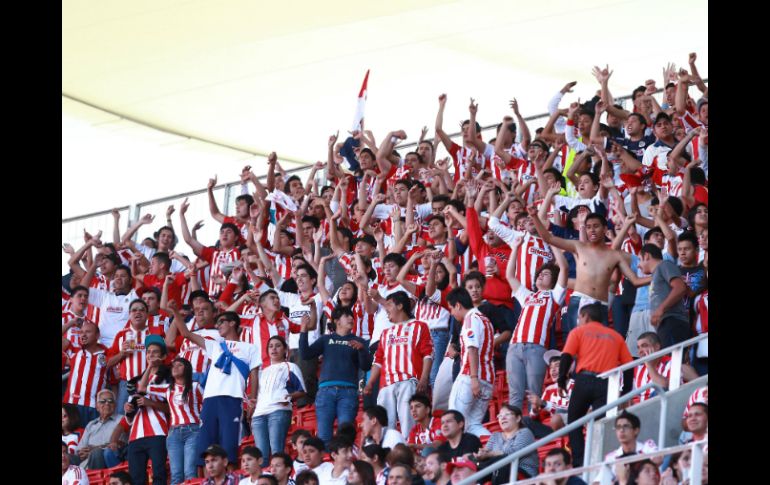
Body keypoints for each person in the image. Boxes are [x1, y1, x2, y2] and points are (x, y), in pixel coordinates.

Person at [169, 305, 260, 472]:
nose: (218, 325)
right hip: (210, 399)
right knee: (204, 446)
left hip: (232, 399)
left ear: (233, 323)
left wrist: (253, 399)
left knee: (229, 445)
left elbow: (254, 375)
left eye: (221, 322)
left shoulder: (250, 348)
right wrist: (175, 312)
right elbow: (186, 334)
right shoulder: (215, 346)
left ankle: (230, 481)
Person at [529, 208, 646, 334]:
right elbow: (548, 238)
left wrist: (659, 273)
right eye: (588, 227)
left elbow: (635, 281)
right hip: (580, 301)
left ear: (605, 229)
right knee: (579, 348)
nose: (592, 230)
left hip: (601, 305)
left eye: (596, 226)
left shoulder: (613, 255)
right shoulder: (578, 246)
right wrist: (535, 216)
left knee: (600, 347)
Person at [559, 303, 634, 468]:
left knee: (574, 422)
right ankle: (601, 462)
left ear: (585, 316)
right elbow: (629, 365)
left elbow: (566, 356)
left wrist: (560, 380)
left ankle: (580, 463)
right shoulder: (616, 336)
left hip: (584, 381)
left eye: (579, 318)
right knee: (603, 425)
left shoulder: (578, 332)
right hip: (606, 385)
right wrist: (626, 390)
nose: (578, 321)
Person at [504, 236, 568, 409]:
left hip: (536, 347)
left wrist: (553, 242)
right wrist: (515, 247)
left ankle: (535, 427)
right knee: (515, 396)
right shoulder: (528, 296)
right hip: (514, 346)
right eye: (539, 274)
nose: (540, 275)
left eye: (545, 274)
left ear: (553, 281)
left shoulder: (554, 296)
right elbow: (510, 276)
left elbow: (563, 267)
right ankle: (516, 433)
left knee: (534, 395)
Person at [364, 291, 433, 439]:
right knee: (384, 427)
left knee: (409, 422)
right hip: (386, 386)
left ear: (400, 306)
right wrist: (370, 382)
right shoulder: (385, 333)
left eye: (388, 304)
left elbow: (428, 355)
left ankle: (411, 451)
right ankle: (387, 455)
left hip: (408, 381)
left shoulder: (420, 326)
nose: (385, 309)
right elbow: (378, 361)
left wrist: (424, 378)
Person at [300, 305, 371, 445]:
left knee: (345, 436)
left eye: (352, 316)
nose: (351, 318)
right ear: (337, 321)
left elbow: (366, 366)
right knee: (324, 437)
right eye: (347, 316)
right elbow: (305, 354)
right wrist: (303, 329)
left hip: (348, 393)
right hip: (325, 392)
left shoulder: (360, 341)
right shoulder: (326, 339)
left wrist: (362, 350)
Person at [121, 335, 172, 485]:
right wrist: (128, 409)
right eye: (149, 352)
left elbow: (171, 409)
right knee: (136, 478)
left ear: (163, 356)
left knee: (159, 475)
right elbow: (130, 416)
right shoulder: (135, 380)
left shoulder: (169, 377)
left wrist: (151, 403)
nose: (151, 355)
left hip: (158, 432)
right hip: (135, 436)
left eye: (155, 352)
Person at [446, 288, 495, 437]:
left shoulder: (470, 319)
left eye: (451, 308)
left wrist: (473, 378)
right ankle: (496, 449)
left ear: (458, 305)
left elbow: (472, 348)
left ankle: (459, 458)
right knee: (473, 425)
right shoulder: (485, 319)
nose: (452, 313)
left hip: (470, 377)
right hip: (488, 379)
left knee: (454, 421)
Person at [252, 336, 306, 465]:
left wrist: (289, 397)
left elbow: (302, 390)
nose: (274, 349)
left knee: (277, 451)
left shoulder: (290, 366)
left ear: (285, 349)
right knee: (261, 457)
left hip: (278, 411)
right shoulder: (261, 372)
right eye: (270, 346)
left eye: (278, 345)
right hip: (258, 415)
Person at [63, 320, 110, 441]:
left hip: (94, 407)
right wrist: (71, 323)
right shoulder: (75, 352)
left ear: (97, 336)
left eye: (88, 332)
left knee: (88, 443)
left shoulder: (107, 356)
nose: (83, 335)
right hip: (71, 405)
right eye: (81, 332)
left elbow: (113, 383)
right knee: (69, 440)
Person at [637, 244, 691, 347]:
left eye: (639, 259)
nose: (638, 265)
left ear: (647, 256)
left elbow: (680, 288)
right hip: (666, 324)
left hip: (672, 321)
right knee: (671, 361)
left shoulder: (665, 265)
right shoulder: (657, 273)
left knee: (675, 360)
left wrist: (660, 309)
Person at [165, 357, 205, 485]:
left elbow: (206, 406)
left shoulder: (195, 386)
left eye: (179, 365)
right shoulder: (167, 390)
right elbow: (142, 388)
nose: (175, 367)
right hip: (173, 434)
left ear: (187, 369)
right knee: (176, 475)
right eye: (173, 365)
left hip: (193, 430)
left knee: (190, 473)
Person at [474, 404, 538, 482]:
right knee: (473, 462)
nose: (503, 418)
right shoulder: (495, 436)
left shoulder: (525, 432)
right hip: (497, 472)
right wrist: (481, 454)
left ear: (518, 418)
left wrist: (491, 454)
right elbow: (487, 452)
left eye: (507, 414)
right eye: (500, 416)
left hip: (523, 475)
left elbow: (514, 453)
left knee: (502, 461)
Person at [592, 411, 660, 485]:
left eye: (626, 426)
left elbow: (658, 460)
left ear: (636, 430)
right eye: (618, 427)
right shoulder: (611, 457)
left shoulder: (647, 446)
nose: (621, 430)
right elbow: (598, 481)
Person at [74, 389, 124, 470]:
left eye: (110, 401)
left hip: (108, 461)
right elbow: (80, 449)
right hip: (85, 463)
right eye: (103, 401)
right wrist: (81, 452)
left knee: (97, 453)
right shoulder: (91, 424)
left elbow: (120, 444)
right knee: (70, 458)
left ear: (115, 405)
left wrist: (95, 450)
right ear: (97, 406)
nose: (107, 403)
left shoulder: (122, 420)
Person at [632, 332, 672, 404]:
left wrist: (649, 365)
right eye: (638, 347)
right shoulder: (638, 369)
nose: (640, 351)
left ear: (657, 347)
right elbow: (633, 398)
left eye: (644, 346)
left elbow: (664, 387)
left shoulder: (670, 363)